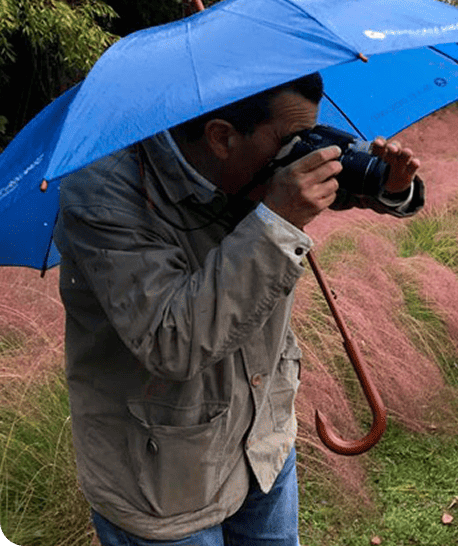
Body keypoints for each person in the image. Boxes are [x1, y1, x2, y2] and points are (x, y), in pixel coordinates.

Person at [53, 72, 424, 545]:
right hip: (164, 484)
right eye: (293, 141)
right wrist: (276, 221)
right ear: (222, 137)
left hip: (262, 446)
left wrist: (391, 186)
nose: (303, 155)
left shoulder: (256, 159)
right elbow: (172, 342)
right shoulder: (105, 193)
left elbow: (341, 183)